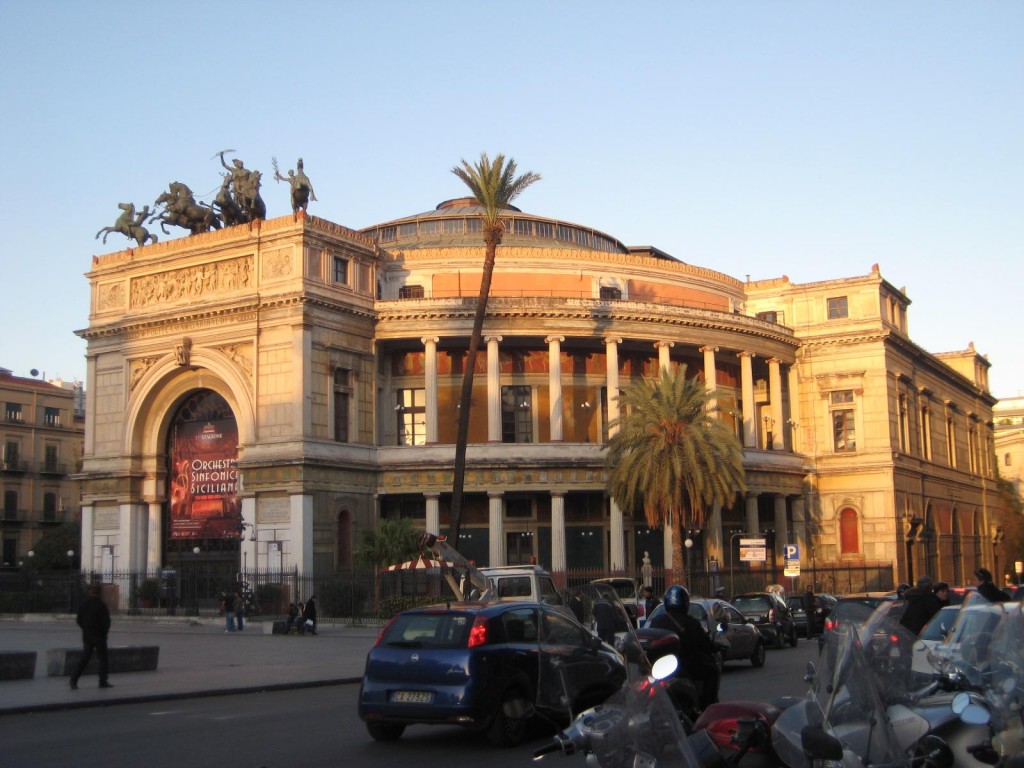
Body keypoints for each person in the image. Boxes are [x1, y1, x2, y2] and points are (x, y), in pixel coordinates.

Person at [648, 585, 721, 710]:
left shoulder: (656, 621)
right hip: (685, 666)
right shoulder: (691, 623)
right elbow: (705, 644)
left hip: (660, 668)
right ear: (685, 603)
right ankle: (707, 710)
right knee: (712, 671)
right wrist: (715, 646)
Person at [70, 583, 112, 690]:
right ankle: (102, 681)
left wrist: (85, 628)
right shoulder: (101, 605)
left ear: (90, 592)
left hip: (87, 635)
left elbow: (78, 620)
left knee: (85, 658)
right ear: (99, 593)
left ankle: (74, 679)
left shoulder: (84, 604)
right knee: (103, 659)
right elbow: (106, 621)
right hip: (99, 636)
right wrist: (104, 632)